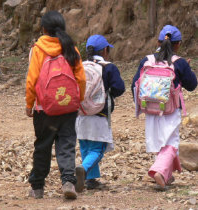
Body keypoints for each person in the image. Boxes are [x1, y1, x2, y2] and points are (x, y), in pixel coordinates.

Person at [25, 11, 86, 199]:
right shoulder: (70, 47)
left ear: (44, 29)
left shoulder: (38, 49)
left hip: (45, 109)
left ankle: (37, 188)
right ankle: (68, 181)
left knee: (42, 145)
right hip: (68, 107)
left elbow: (32, 79)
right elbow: (81, 78)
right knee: (66, 144)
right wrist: (78, 100)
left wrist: (29, 103)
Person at [131, 25, 197, 189]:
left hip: (150, 107)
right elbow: (192, 85)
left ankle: (166, 175)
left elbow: (134, 84)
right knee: (171, 143)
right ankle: (159, 172)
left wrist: (140, 105)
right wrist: (185, 69)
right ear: (178, 44)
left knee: (159, 141)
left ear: (158, 42)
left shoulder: (147, 61)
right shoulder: (179, 62)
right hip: (171, 109)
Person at [75, 34, 125, 192]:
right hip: (100, 114)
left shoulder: (80, 66)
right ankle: (83, 169)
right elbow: (119, 88)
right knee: (98, 148)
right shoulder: (108, 67)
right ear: (105, 50)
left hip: (80, 114)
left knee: (85, 146)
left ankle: (90, 180)